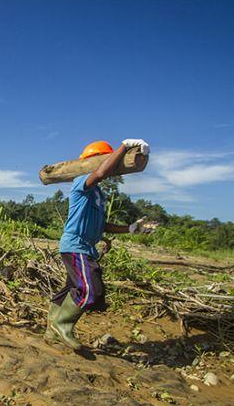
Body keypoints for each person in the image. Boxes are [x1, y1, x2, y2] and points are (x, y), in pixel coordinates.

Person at [46, 139, 156, 350]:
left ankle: (51, 331)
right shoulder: (81, 182)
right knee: (90, 290)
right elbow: (100, 173)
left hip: (87, 248)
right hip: (75, 246)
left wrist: (130, 228)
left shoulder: (99, 195)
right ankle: (62, 324)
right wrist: (124, 146)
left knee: (70, 288)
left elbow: (102, 224)